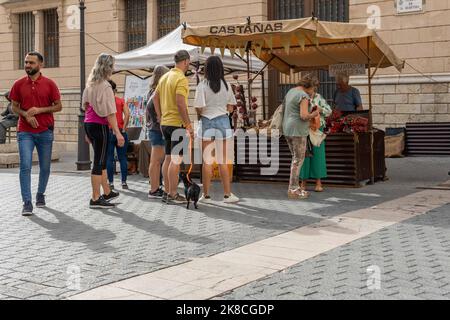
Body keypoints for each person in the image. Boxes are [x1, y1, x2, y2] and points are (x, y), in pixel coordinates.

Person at [9, 51, 62, 216]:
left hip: (45, 131)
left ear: (40, 65)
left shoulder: (50, 84)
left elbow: (58, 106)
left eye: (31, 63)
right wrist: (26, 115)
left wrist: (39, 110)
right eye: (26, 62)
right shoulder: (18, 84)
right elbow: (14, 106)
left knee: (45, 167)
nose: (27, 65)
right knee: (25, 166)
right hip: (25, 131)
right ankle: (27, 202)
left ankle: (40, 194)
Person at [194, 56, 239, 203]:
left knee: (207, 161)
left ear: (206, 68)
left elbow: (199, 107)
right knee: (223, 161)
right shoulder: (226, 85)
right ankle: (227, 195)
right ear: (220, 68)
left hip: (207, 121)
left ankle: (205, 195)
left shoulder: (202, 85)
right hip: (223, 122)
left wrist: (205, 113)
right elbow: (231, 106)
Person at [82, 53, 125, 209]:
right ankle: (95, 198)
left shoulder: (90, 84)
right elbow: (110, 113)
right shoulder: (106, 86)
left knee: (102, 160)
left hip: (89, 124)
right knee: (99, 162)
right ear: (108, 67)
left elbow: (85, 107)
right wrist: (118, 133)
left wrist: (87, 132)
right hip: (100, 126)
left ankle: (106, 191)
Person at [153, 50, 194, 204]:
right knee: (175, 160)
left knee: (169, 158)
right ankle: (172, 194)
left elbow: (155, 97)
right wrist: (189, 125)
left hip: (165, 124)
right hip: (177, 124)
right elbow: (180, 103)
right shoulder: (181, 79)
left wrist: (160, 115)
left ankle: (166, 191)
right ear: (186, 62)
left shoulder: (164, 77)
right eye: (188, 63)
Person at [282, 77, 320, 199]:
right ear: (310, 86)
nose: (313, 91)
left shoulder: (290, 92)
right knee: (298, 160)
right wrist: (314, 114)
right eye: (314, 88)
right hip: (298, 130)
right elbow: (304, 116)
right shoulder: (303, 96)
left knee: (295, 159)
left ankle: (294, 187)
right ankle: (293, 189)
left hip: (287, 128)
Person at [300, 80, 332, 192]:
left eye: (311, 88)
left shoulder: (319, 97)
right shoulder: (301, 97)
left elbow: (329, 111)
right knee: (304, 156)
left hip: (317, 129)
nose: (309, 91)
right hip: (304, 129)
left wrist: (320, 109)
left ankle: (318, 183)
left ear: (314, 88)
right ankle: (303, 183)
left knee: (318, 156)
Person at [146, 65, 169, 199]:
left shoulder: (151, 91)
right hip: (158, 128)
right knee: (157, 160)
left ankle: (155, 188)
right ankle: (154, 190)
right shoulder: (158, 92)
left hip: (153, 128)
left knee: (156, 160)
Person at [106, 79, 130, 190]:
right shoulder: (121, 101)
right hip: (120, 131)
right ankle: (124, 182)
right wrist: (124, 128)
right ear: (115, 90)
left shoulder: (105, 102)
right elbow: (127, 115)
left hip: (109, 131)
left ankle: (110, 183)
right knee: (122, 158)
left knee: (109, 158)